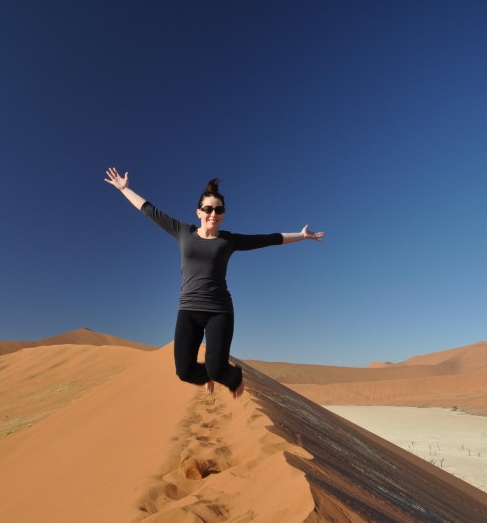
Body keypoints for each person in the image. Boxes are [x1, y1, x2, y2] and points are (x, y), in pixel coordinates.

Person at [104, 167, 324, 398]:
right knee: (185, 372)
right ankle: (208, 376)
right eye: (208, 209)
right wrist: (125, 189)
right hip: (188, 310)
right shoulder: (183, 232)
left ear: (223, 215)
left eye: (218, 210)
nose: (213, 214)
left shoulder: (228, 240)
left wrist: (302, 235)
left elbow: (268, 239)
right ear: (198, 212)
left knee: (219, 369)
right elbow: (150, 210)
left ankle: (233, 377)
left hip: (219, 311)